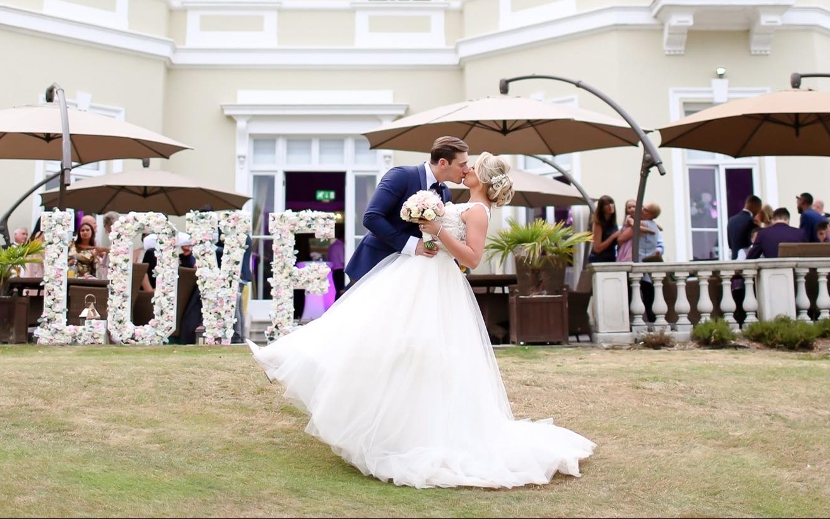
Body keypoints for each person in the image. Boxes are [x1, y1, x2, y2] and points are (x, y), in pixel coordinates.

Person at [249, 151, 594, 489]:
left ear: (484, 180)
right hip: (418, 271)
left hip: (437, 282)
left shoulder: (478, 211)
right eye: (465, 164)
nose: (466, 169)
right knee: (368, 325)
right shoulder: (458, 200)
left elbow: (471, 259)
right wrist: (426, 229)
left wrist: (437, 230)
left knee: (414, 347)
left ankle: (410, 432)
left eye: (472, 167)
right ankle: (292, 357)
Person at [345, 136, 469, 284]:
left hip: (409, 275)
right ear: (443, 163)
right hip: (375, 264)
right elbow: (372, 217)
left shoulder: (445, 192)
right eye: (462, 164)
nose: (466, 170)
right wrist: (412, 244)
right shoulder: (401, 175)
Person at [727, 196, 762, 260]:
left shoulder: (731, 220)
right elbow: (755, 243)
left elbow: (730, 244)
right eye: (759, 208)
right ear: (756, 206)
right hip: (747, 261)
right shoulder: (752, 221)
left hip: (734, 260)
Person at [588, 195, 620, 264]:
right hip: (598, 260)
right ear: (601, 208)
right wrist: (613, 236)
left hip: (611, 258)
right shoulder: (598, 223)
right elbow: (597, 248)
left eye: (611, 203)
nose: (610, 206)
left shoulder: (613, 223)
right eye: (606, 204)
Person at [327, 235, 346, 300]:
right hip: (341, 270)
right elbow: (342, 260)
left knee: (338, 290)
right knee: (342, 291)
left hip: (334, 270)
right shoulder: (340, 246)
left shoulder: (332, 246)